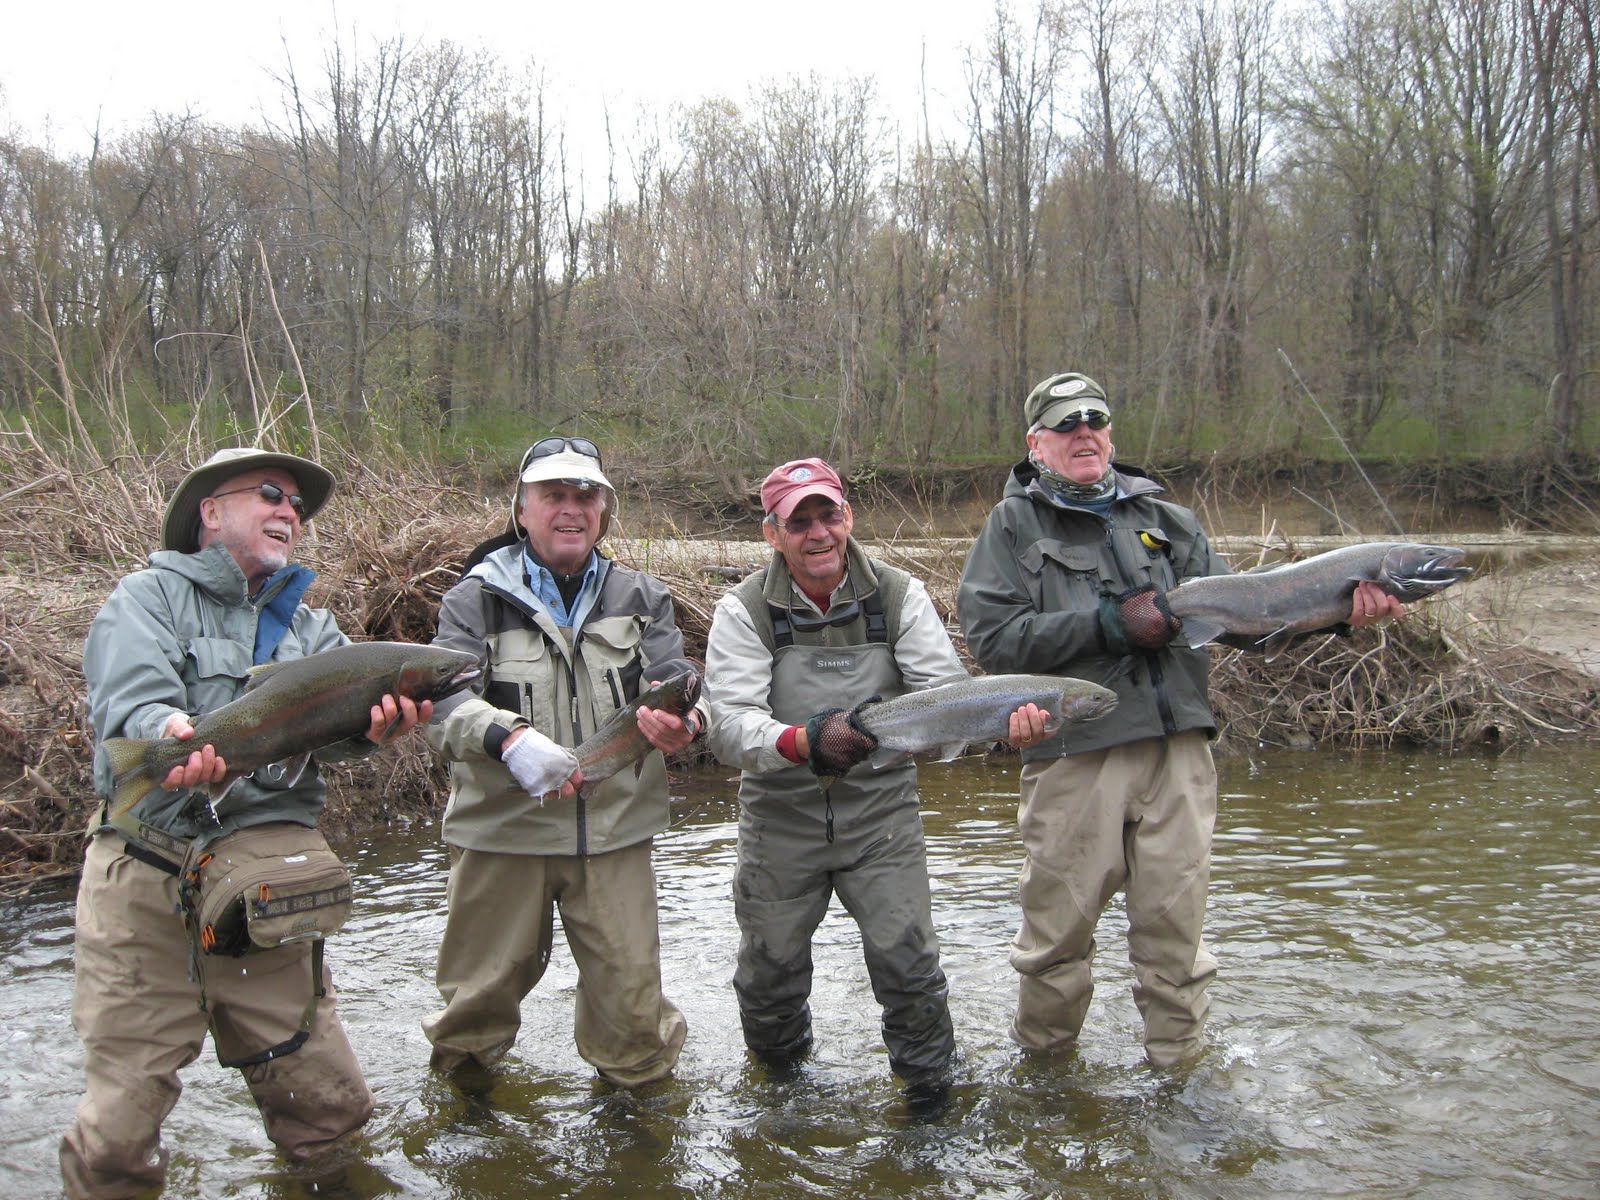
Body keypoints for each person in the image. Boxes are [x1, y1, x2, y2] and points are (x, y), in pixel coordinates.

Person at [956, 372, 1403, 1068]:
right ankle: (1045, 1080)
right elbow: (996, 640)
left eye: (1094, 420)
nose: (1083, 434)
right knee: (1055, 942)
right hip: (1078, 755)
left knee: (1177, 943)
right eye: (1065, 424)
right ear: (1035, 442)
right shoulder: (1012, 525)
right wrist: (1107, 623)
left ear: (1110, 432)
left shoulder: (1169, 521)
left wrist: (1341, 613)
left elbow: (1252, 621)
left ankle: (1182, 1084)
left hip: (1182, 756)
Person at [62, 447, 431, 1198]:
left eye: (297, 505)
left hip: (266, 891)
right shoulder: (144, 599)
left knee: (329, 1116)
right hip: (146, 884)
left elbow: (342, 736)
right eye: (270, 494)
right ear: (211, 511)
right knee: (118, 1140)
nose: (289, 512)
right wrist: (168, 735)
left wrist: (377, 729)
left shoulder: (316, 628)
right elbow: (132, 701)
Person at [704, 457, 1047, 1105]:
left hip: (881, 820)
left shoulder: (898, 595)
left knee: (907, 964)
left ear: (848, 518)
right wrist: (805, 741)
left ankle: (930, 1102)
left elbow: (947, 700)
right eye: (797, 521)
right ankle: (780, 1095)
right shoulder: (743, 609)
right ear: (771, 534)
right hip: (780, 822)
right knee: (769, 975)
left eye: (827, 515)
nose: (817, 533)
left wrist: (1004, 725)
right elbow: (726, 729)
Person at [422, 435, 705, 1088]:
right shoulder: (473, 599)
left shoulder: (643, 596)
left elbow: (683, 682)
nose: (571, 509)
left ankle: (636, 1144)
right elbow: (441, 706)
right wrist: (508, 739)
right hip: (502, 835)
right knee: (474, 1013)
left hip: (615, 835)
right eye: (553, 495)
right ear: (521, 510)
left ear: (604, 511)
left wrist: (688, 724)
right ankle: (467, 1129)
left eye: (586, 496)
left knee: (635, 1020)